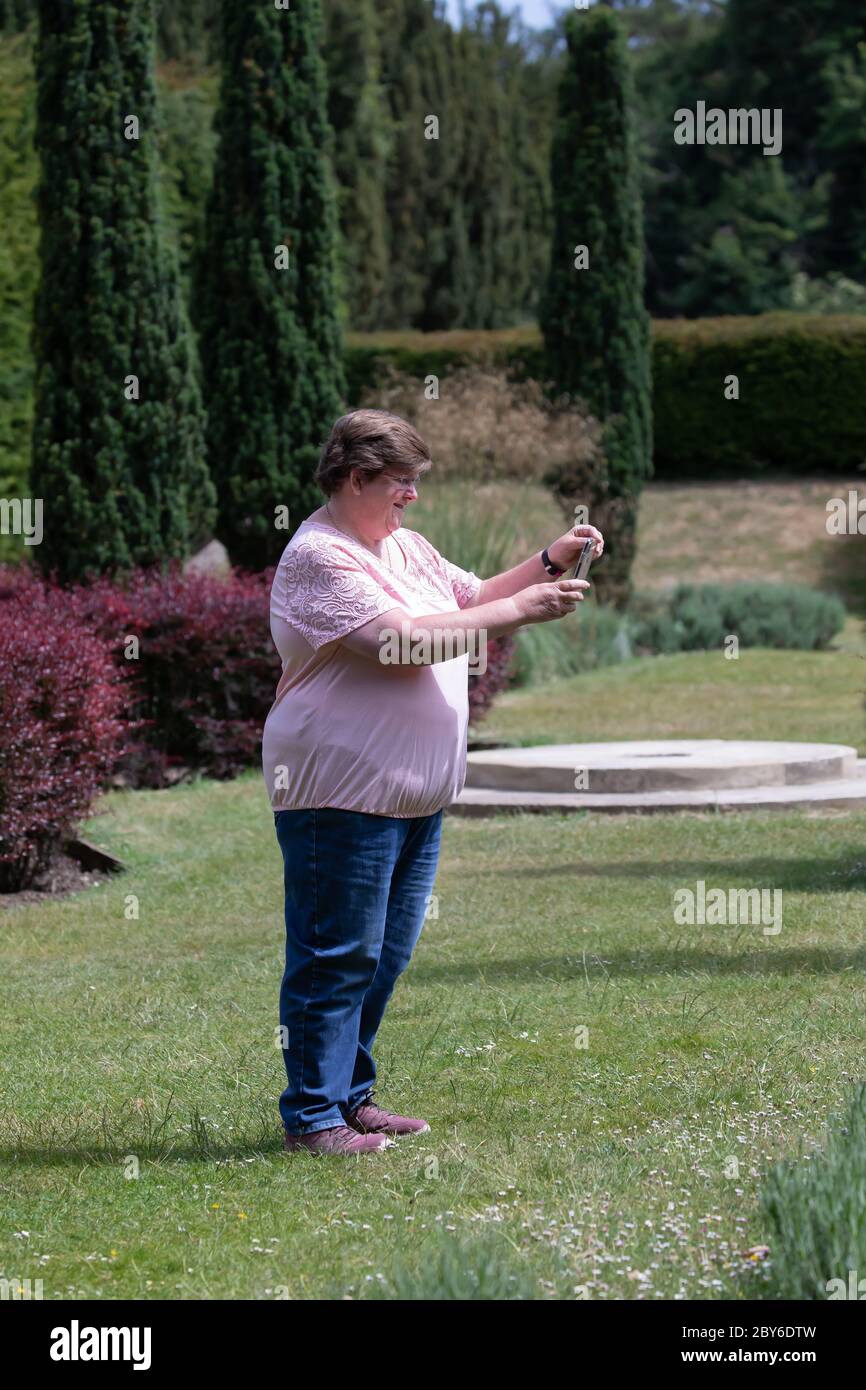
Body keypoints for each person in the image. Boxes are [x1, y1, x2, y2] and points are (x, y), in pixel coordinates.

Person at [262, 409, 603, 1155]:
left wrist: (549, 560)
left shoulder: (403, 546)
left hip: (411, 795)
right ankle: (314, 1118)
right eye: (400, 484)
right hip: (338, 793)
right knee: (335, 954)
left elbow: (469, 600)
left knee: (382, 956)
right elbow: (399, 642)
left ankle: (350, 1098)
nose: (412, 497)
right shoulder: (321, 555)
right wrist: (521, 611)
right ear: (355, 479)